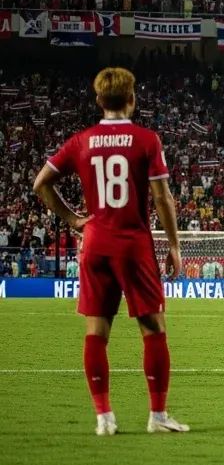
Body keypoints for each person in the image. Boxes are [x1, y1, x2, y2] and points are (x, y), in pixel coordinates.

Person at [32, 66, 189, 435]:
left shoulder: (81, 141)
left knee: (96, 331)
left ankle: (104, 418)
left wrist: (73, 220)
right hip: (132, 244)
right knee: (153, 329)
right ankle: (158, 416)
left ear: (99, 100)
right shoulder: (146, 140)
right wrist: (174, 244)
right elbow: (162, 196)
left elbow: (41, 183)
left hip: (96, 243)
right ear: (132, 99)